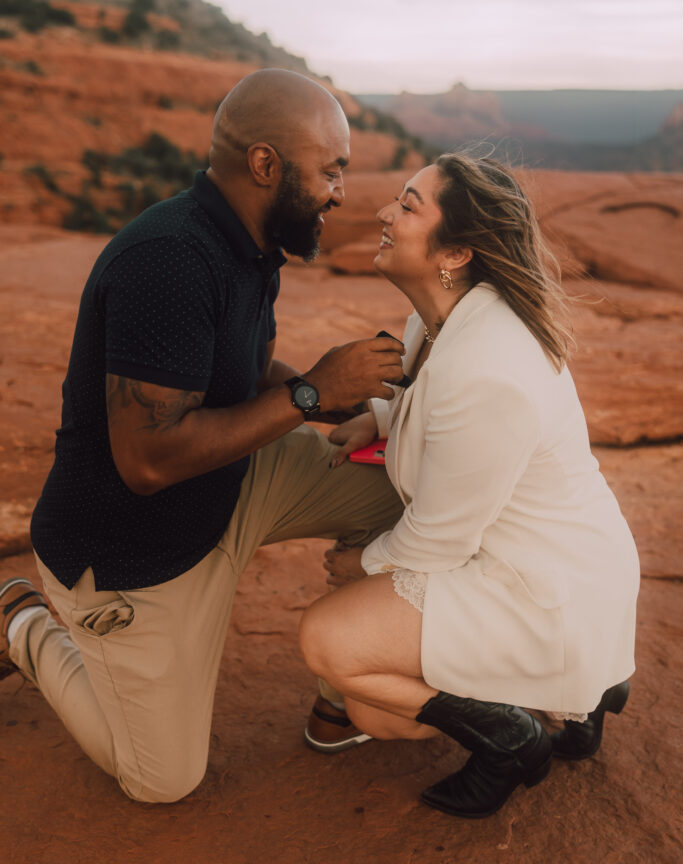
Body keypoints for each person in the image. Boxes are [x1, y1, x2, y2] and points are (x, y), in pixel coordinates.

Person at [0, 68, 407, 803]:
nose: (340, 191)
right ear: (264, 165)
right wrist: (311, 388)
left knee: (409, 501)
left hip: (235, 481)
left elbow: (241, 371)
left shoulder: (252, 244)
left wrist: (328, 407)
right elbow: (148, 462)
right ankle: (24, 621)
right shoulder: (170, 260)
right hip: (137, 549)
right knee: (162, 781)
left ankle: (341, 693)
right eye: (331, 170)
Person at [299, 153, 640, 819]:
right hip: (537, 562)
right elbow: (440, 412)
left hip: (547, 587)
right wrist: (379, 415)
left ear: (454, 251)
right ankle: (582, 690)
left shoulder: (490, 362)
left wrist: (360, 566)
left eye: (406, 205)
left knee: (330, 643)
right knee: (373, 703)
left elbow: (439, 534)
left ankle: (511, 736)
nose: (381, 214)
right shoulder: (440, 319)